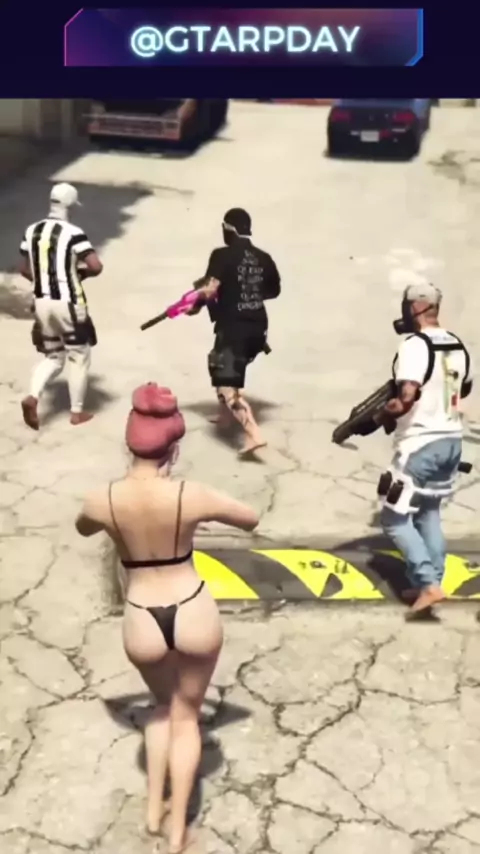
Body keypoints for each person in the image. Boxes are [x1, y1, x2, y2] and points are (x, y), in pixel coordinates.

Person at [75, 383, 259, 852]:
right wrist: (200, 513)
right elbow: (250, 517)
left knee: (161, 709)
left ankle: (153, 810)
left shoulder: (103, 499)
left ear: (129, 445)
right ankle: (178, 831)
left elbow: (83, 527)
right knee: (187, 716)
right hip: (191, 607)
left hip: (142, 614)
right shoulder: (188, 494)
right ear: (173, 449)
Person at [378, 283, 473, 615]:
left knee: (393, 518)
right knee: (428, 513)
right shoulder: (457, 344)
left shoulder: (414, 346)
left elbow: (406, 397)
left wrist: (385, 413)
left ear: (416, 307)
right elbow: (464, 387)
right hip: (451, 442)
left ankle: (427, 582)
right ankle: (432, 582)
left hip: (420, 444)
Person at [193, 208, 281, 456]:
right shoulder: (263, 257)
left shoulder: (221, 255)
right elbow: (274, 291)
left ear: (228, 229)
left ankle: (253, 434)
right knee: (223, 363)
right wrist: (248, 292)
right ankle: (224, 417)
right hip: (258, 327)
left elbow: (209, 290)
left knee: (224, 378)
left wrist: (194, 305)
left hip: (234, 326)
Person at [18, 182, 103, 430]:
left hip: (41, 301)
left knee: (54, 355)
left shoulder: (31, 230)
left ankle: (32, 396)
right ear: (70, 206)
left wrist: (43, 281)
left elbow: (24, 269)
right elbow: (96, 266)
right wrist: (80, 274)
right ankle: (77, 412)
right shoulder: (74, 233)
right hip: (69, 303)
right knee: (79, 355)